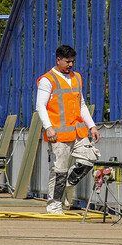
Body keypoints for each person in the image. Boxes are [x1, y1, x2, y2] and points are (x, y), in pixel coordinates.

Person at [36, 45, 101, 214]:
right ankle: (54, 204)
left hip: (78, 131)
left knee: (89, 159)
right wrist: (48, 127)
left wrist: (91, 125)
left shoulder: (77, 77)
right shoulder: (47, 80)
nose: (70, 64)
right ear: (58, 60)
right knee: (59, 170)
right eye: (67, 61)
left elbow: (81, 104)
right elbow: (40, 106)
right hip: (57, 134)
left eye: (72, 61)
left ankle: (68, 183)